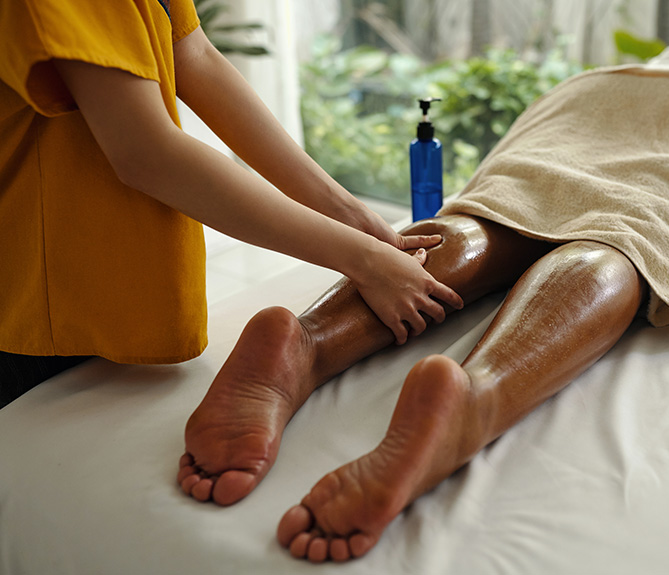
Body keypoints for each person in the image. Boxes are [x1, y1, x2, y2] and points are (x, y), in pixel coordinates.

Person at [175, 0, 669, 563]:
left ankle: (308, 341)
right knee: (621, 241)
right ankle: (474, 397)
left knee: (496, 215)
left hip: (597, 98)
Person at [0, 0, 463, 409]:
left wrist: (351, 215)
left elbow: (193, 54)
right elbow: (145, 153)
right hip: (31, 295)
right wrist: (364, 259)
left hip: (92, 278)